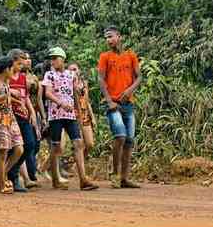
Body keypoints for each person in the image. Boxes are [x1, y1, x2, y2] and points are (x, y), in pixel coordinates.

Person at [42, 47, 98, 191]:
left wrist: (78, 113)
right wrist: (60, 103)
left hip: (70, 115)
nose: (53, 61)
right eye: (51, 58)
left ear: (63, 59)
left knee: (78, 143)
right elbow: (47, 93)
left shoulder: (70, 75)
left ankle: (83, 179)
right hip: (55, 115)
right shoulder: (49, 75)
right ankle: (55, 179)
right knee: (56, 147)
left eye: (55, 58)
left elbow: (75, 95)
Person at [98, 26, 141, 189]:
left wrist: (130, 89)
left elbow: (139, 77)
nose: (108, 40)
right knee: (120, 137)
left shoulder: (131, 55)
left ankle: (124, 177)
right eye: (106, 38)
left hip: (128, 103)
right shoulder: (105, 57)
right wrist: (109, 101)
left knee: (129, 141)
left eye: (110, 36)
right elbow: (101, 80)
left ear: (119, 36)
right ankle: (114, 174)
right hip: (113, 104)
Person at [0, 56, 24, 195]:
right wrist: (6, 95)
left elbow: (7, 96)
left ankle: (1, 174)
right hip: (0, 119)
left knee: (19, 149)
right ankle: (2, 184)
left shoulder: (5, 82)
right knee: (3, 152)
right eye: (11, 68)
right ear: (6, 69)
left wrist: (18, 102)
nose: (13, 71)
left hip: (10, 118)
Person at [7, 49, 38, 192]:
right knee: (14, 147)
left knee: (30, 144)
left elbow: (25, 98)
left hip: (23, 114)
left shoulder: (23, 78)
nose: (22, 66)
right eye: (19, 63)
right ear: (12, 62)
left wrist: (32, 113)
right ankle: (12, 177)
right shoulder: (5, 76)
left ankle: (12, 170)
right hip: (9, 115)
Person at [68, 62, 96, 157]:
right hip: (74, 116)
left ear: (79, 70)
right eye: (70, 70)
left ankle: (77, 162)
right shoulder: (67, 84)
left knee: (90, 144)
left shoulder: (84, 83)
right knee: (79, 144)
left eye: (75, 69)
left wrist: (92, 117)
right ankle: (77, 166)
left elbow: (87, 101)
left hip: (85, 115)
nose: (73, 72)